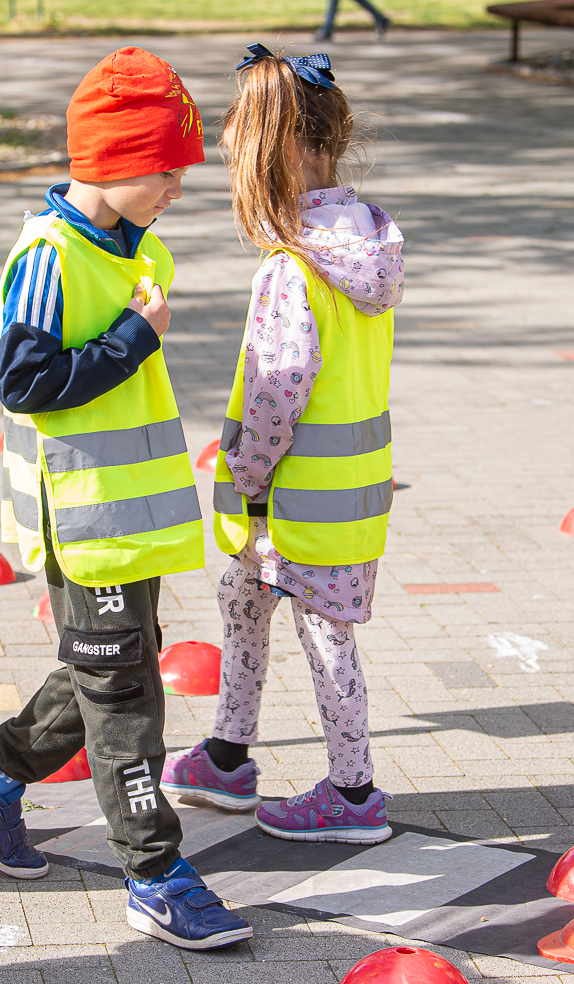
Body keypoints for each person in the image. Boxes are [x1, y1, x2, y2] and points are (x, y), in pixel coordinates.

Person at [0, 47, 252, 951]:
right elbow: (27, 382)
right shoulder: (46, 256)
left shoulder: (145, 249)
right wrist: (131, 339)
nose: (176, 192)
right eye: (167, 171)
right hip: (81, 520)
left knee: (112, 667)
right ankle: (154, 872)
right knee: (124, 696)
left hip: (132, 518)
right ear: (113, 162)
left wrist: (134, 333)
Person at [160, 43, 403, 843]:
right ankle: (229, 754)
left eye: (242, 144)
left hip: (292, 502)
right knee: (244, 598)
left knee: (323, 635)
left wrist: (247, 474)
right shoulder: (364, 251)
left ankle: (353, 791)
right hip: (343, 499)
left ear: (287, 153)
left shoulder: (294, 270)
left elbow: (276, 390)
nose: (231, 156)